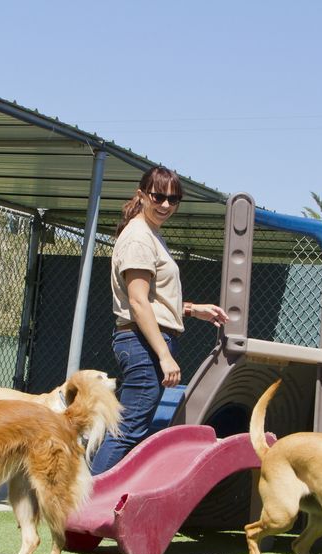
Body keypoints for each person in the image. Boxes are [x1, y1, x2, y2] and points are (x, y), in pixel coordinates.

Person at [89, 166, 228, 475]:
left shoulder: (150, 233)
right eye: (158, 196)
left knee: (129, 430)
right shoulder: (139, 237)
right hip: (143, 344)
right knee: (128, 432)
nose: (166, 205)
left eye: (173, 199)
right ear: (142, 195)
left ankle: (94, 505)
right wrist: (164, 356)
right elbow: (138, 302)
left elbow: (152, 300)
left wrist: (192, 310)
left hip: (145, 340)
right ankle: (85, 509)